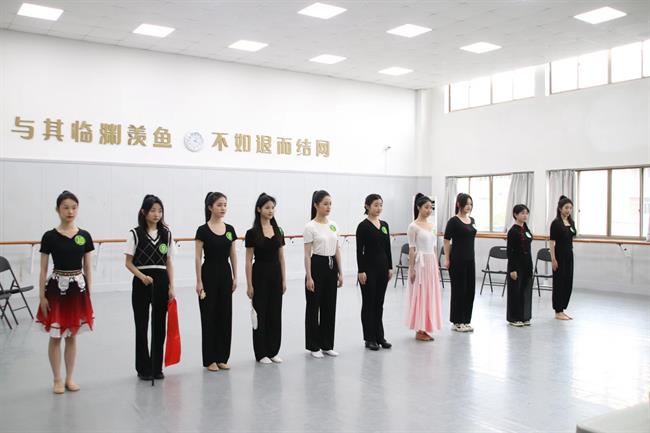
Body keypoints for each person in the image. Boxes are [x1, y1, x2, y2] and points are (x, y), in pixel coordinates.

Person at [36, 190, 95, 394]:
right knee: (56, 335)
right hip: (56, 290)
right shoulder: (49, 236)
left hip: (77, 290)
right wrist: (42, 296)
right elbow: (43, 268)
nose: (70, 211)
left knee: (72, 336)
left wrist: (89, 292)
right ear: (58, 209)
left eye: (74, 207)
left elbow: (88, 267)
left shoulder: (84, 236)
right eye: (66, 207)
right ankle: (57, 379)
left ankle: (70, 378)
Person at [125, 194, 176, 381]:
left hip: (161, 281)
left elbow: (169, 262)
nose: (157, 214)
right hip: (141, 282)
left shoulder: (167, 234)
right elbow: (128, 263)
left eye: (160, 211)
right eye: (153, 210)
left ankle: (156, 367)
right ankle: (143, 368)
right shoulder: (135, 234)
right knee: (141, 325)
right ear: (144, 212)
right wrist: (141, 276)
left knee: (159, 325)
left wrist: (171, 286)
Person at [195, 192, 237, 371]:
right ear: (210, 207)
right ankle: (210, 358)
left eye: (225, 205)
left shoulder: (230, 230)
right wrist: (199, 281)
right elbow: (198, 257)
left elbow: (233, 254)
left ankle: (222, 357)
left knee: (225, 315)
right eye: (219, 205)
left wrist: (235, 276)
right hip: (209, 274)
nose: (223, 208)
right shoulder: (202, 230)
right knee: (209, 315)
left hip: (225, 274)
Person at [245, 193, 286, 364]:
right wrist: (249, 284)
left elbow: (281, 257)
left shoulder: (278, 230)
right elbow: (248, 260)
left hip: (276, 274)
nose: (271, 210)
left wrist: (284, 279)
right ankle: (261, 353)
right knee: (260, 313)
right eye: (267, 207)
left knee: (275, 312)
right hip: (260, 274)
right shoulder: (252, 232)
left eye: (273, 208)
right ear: (259, 209)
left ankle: (273, 350)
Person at [303, 190, 343, 358]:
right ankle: (314, 346)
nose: (328, 207)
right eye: (325, 204)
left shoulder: (333, 225)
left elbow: (337, 249)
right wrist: (309, 276)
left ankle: (327, 344)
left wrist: (340, 272)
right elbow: (307, 254)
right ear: (316, 205)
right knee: (314, 307)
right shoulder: (310, 226)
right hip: (317, 265)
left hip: (331, 266)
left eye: (330, 204)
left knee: (329, 306)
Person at [356, 194, 393, 351]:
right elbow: (359, 250)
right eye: (376, 205)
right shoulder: (363, 226)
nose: (379, 208)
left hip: (383, 268)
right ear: (367, 206)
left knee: (379, 303)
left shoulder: (384, 225)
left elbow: (387, 247)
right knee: (369, 303)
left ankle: (380, 337)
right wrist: (361, 270)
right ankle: (369, 338)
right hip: (369, 269)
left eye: (381, 205)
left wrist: (390, 267)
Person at [406, 193, 443, 341]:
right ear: (418, 207)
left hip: (431, 262)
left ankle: (426, 326)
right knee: (420, 294)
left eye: (431, 208)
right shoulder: (413, 226)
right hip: (420, 264)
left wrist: (437, 266)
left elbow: (434, 246)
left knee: (430, 294)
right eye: (426, 207)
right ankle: (419, 330)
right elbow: (412, 249)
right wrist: (412, 269)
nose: (429, 210)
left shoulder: (432, 226)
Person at [443, 193, 477, 332]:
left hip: (470, 259)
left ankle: (466, 320)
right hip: (457, 260)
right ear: (459, 204)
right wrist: (447, 258)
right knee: (459, 290)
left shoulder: (472, 220)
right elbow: (446, 240)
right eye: (466, 204)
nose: (469, 206)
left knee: (470, 290)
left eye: (470, 204)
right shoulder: (453, 221)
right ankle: (457, 321)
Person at [506, 204, 533, 327]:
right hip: (516, 264)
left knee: (525, 290)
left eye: (526, 213)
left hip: (527, 263)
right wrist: (512, 269)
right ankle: (514, 318)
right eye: (522, 213)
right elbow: (510, 251)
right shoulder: (513, 231)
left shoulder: (526, 229)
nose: (525, 215)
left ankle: (524, 316)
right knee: (515, 291)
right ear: (515, 215)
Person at [550, 195, 576, 320]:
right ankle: (558, 310)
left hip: (569, 254)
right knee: (559, 282)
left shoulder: (571, 222)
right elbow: (552, 242)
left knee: (568, 282)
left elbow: (571, 238)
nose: (568, 210)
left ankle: (562, 309)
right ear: (560, 208)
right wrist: (553, 259)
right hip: (559, 255)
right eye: (566, 208)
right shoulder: (556, 223)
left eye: (570, 208)